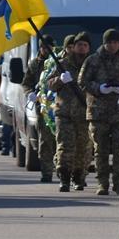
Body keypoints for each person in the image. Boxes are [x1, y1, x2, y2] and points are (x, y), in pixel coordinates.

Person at [79, 28, 119, 196]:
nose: (112, 46)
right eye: (109, 42)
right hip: (99, 112)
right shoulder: (93, 61)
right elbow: (82, 81)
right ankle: (102, 183)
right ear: (104, 43)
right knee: (101, 150)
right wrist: (99, 88)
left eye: (114, 42)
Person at [48, 32, 92, 191]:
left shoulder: (92, 64)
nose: (81, 48)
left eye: (85, 45)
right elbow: (50, 85)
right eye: (79, 45)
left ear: (89, 48)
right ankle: (64, 178)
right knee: (65, 146)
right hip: (64, 112)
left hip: (85, 113)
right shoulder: (63, 64)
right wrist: (60, 80)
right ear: (73, 47)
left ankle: (79, 177)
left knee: (83, 148)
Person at [23, 35, 61, 182]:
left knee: (61, 140)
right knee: (45, 140)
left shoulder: (58, 61)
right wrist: (30, 93)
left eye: (49, 47)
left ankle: (61, 170)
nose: (46, 50)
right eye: (44, 47)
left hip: (58, 106)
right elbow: (26, 83)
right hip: (43, 107)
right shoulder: (35, 64)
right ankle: (46, 172)